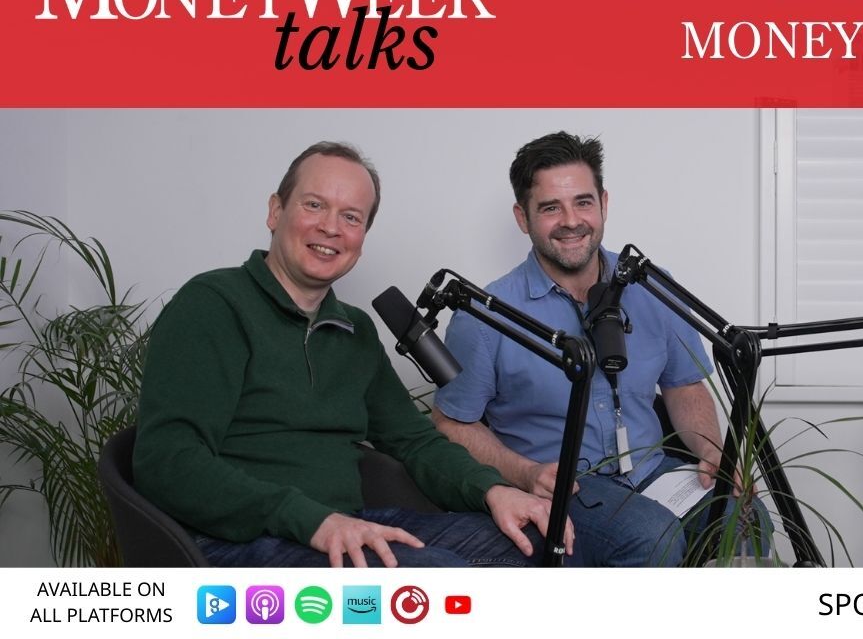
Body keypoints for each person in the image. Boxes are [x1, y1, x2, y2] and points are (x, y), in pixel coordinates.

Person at [133, 141, 571, 568]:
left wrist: (494, 490)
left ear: (362, 236)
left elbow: (413, 440)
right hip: (240, 540)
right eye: (314, 205)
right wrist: (311, 520)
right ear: (275, 211)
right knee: (435, 582)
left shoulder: (354, 328)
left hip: (348, 525)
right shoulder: (213, 304)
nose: (330, 227)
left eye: (351, 216)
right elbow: (167, 460)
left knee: (536, 544)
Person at [433, 131, 740, 567]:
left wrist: (710, 450)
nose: (571, 220)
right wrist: (523, 473)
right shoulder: (485, 316)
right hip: (566, 486)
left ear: (604, 203)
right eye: (550, 208)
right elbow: (451, 422)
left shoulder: (654, 288)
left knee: (743, 516)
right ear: (523, 218)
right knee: (649, 537)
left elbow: (684, 387)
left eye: (582, 202)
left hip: (654, 472)